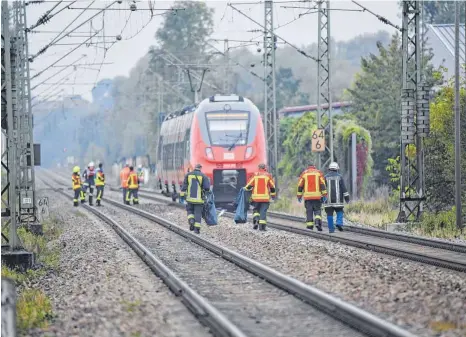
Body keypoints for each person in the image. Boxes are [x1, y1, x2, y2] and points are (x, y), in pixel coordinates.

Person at [179, 164, 210, 234]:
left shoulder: (188, 175)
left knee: (190, 211)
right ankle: (197, 229)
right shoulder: (203, 176)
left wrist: (182, 197)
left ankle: (191, 220)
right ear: (200, 168)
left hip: (190, 199)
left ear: (194, 168)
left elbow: (183, 187)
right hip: (199, 200)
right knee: (198, 213)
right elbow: (207, 188)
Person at [244, 163, 276, 231]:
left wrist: (246, 189)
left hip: (255, 198)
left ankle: (256, 219)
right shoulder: (268, 175)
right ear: (265, 168)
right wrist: (273, 195)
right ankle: (262, 227)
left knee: (256, 210)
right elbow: (272, 187)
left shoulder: (255, 175)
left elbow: (249, 185)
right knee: (263, 211)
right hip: (265, 198)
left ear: (258, 168)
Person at [297, 163, 327, 231]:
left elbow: (300, 186)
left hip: (308, 197)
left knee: (309, 212)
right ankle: (317, 222)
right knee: (317, 210)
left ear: (308, 167)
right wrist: (324, 195)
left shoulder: (304, 173)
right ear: (314, 166)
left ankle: (310, 227)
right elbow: (322, 184)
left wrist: (299, 196)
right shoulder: (318, 173)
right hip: (317, 196)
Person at [324, 162, 350, 232]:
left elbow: (323, 189)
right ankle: (339, 223)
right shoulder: (340, 177)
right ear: (337, 169)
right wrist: (347, 198)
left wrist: (321, 199)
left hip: (328, 201)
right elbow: (344, 188)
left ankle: (331, 229)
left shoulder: (325, 177)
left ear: (329, 169)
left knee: (329, 214)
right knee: (339, 211)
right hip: (338, 200)